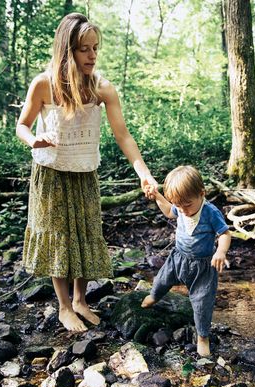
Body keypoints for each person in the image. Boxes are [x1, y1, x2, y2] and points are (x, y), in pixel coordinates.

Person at [16, 13, 157, 333]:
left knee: (86, 234)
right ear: (67, 51)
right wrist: (32, 140)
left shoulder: (102, 88)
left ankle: (81, 300)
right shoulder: (44, 84)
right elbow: (21, 125)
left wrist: (143, 174)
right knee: (59, 239)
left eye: (95, 48)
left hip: (84, 171)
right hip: (50, 173)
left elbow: (123, 136)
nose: (92, 55)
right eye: (84, 49)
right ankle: (64, 306)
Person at [141, 166, 231, 356]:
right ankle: (154, 296)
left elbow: (224, 233)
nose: (183, 210)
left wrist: (221, 252)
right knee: (161, 279)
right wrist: (157, 196)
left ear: (201, 194)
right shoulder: (181, 207)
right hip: (178, 257)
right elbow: (168, 210)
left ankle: (203, 337)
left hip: (203, 266)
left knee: (202, 302)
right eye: (179, 205)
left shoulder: (210, 212)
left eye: (187, 205)